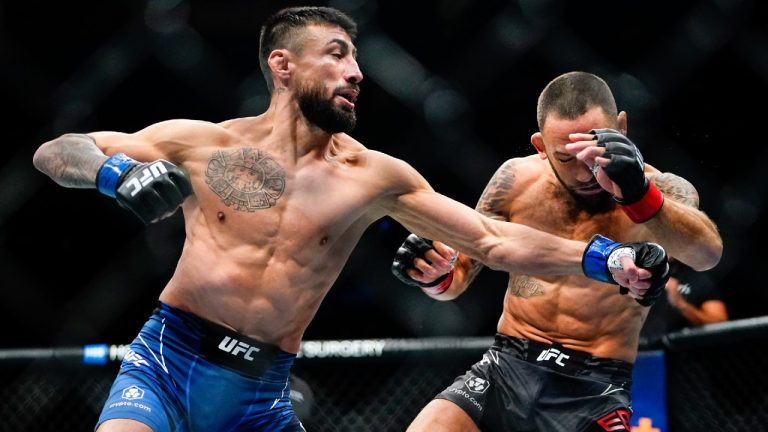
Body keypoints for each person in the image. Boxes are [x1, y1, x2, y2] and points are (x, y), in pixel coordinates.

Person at [32, 8, 667, 431]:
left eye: (356, 58)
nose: (357, 72)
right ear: (283, 65)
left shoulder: (373, 176)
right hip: (167, 365)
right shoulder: (203, 143)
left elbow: (491, 238)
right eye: (336, 55)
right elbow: (58, 149)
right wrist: (114, 173)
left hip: (261, 395)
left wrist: (603, 259)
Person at [392, 71, 723, 432]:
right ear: (539, 146)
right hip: (506, 366)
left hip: (594, 385)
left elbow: (707, 255)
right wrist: (433, 272)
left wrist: (638, 194)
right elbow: (457, 279)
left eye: (594, 153)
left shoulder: (664, 191)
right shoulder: (516, 181)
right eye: (565, 158)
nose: (584, 173)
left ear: (621, 129)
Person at [640, 261, 728, 345]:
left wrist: (680, 304)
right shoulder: (635, 275)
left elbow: (719, 323)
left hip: (685, 350)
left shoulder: (697, 278)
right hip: (641, 350)